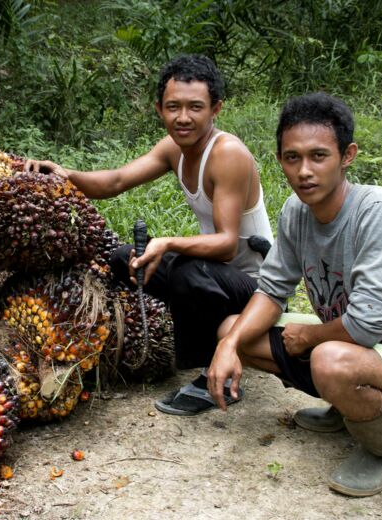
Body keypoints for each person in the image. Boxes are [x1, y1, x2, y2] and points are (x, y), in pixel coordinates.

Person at [207, 92, 382, 496]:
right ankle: (348, 407)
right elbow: (272, 289)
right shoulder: (295, 211)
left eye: (319, 156)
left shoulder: (379, 214)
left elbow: (368, 324)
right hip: (357, 350)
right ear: (279, 161)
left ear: (347, 156)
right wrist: (230, 346)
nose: (304, 171)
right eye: (292, 158)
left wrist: (309, 337)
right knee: (232, 330)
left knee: (329, 358)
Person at [25, 55, 273, 415]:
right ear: (159, 108)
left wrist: (169, 242)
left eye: (195, 107)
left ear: (215, 109)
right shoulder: (175, 148)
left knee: (188, 270)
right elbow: (116, 181)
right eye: (173, 107)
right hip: (218, 273)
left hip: (256, 284)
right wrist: (65, 173)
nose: (183, 117)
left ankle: (215, 375)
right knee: (123, 259)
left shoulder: (227, 153)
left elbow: (225, 243)